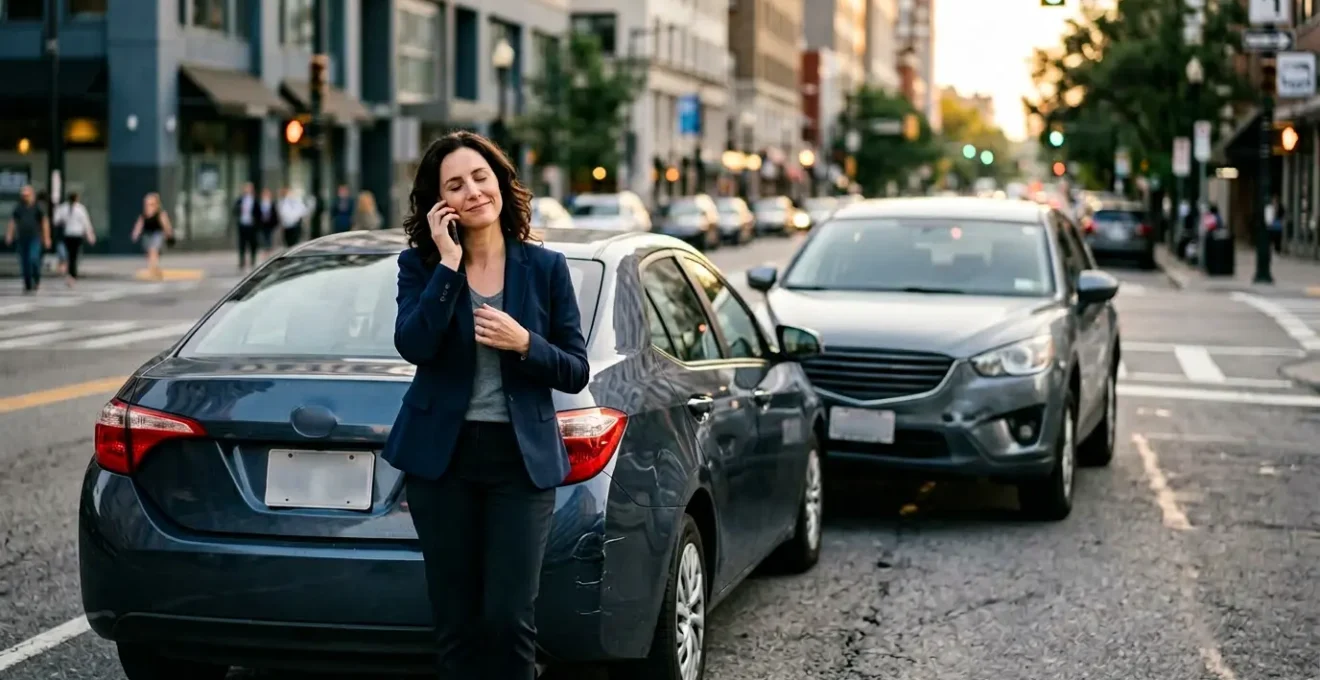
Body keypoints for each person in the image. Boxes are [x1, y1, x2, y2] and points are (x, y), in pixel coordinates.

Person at [383, 130, 590, 679]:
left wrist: (525, 342)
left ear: (499, 180)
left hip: (518, 465)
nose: (473, 191)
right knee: (455, 623)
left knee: (507, 618)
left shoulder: (545, 269)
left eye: (480, 177)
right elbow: (415, 344)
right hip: (442, 463)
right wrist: (449, 265)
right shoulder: (422, 268)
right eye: (455, 185)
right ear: (439, 204)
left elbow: (575, 368)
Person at [4, 184, 52, 293]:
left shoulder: (38, 207)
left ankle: (36, 278)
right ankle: (28, 284)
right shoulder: (19, 207)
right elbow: (13, 222)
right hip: (22, 238)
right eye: (23, 195)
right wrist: (9, 235)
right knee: (24, 262)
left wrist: (47, 237)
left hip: (34, 237)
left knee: (33, 258)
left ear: (32, 195)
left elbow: (44, 222)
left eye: (27, 195)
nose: (25, 197)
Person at [130, 192, 174, 280]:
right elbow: (139, 225)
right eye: (147, 204)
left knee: (153, 250)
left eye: (151, 204)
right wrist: (135, 234)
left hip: (157, 234)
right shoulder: (144, 216)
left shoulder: (160, 214)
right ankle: (155, 269)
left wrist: (169, 234)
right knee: (149, 253)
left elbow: (166, 225)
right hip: (147, 235)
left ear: (156, 205)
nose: (148, 207)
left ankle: (152, 269)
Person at [59, 191, 95, 285]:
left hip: (73, 234)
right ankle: (72, 274)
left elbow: (57, 220)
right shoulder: (76, 208)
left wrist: (89, 234)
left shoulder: (69, 208)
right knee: (73, 255)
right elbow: (86, 223)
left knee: (72, 255)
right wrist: (90, 235)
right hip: (72, 234)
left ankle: (71, 273)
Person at [234, 182, 259, 270]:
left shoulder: (255, 200)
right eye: (246, 188)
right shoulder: (240, 200)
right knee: (242, 244)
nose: (247, 190)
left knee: (253, 243)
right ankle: (242, 261)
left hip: (252, 225)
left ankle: (253, 260)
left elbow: (258, 213)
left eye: (249, 188)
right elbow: (234, 211)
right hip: (242, 224)